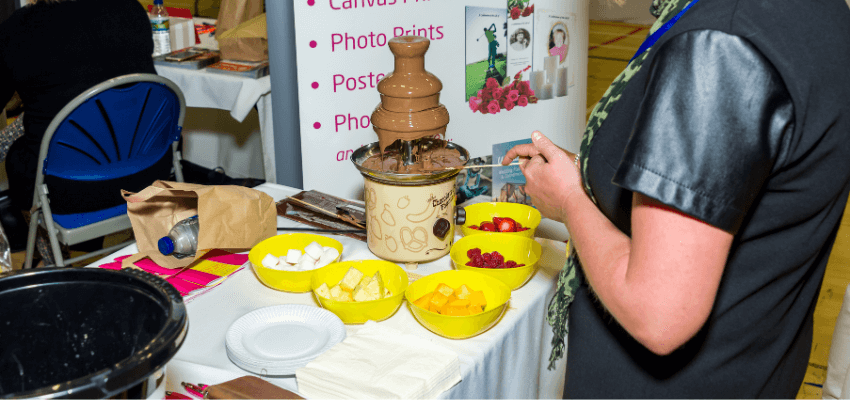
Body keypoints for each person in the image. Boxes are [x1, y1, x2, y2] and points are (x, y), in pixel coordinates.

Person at [503, 0, 850, 397]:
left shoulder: (720, 44)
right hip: (757, 369)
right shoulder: (818, 12)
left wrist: (569, 199)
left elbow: (658, 313)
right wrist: (600, 177)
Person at [0, 0, 168, 265]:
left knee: (18, 155)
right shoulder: (129, 9)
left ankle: (51, 258)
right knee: (52, 120)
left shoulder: (21, 27)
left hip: (68, 192)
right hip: (149, 177)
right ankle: (43, 255)